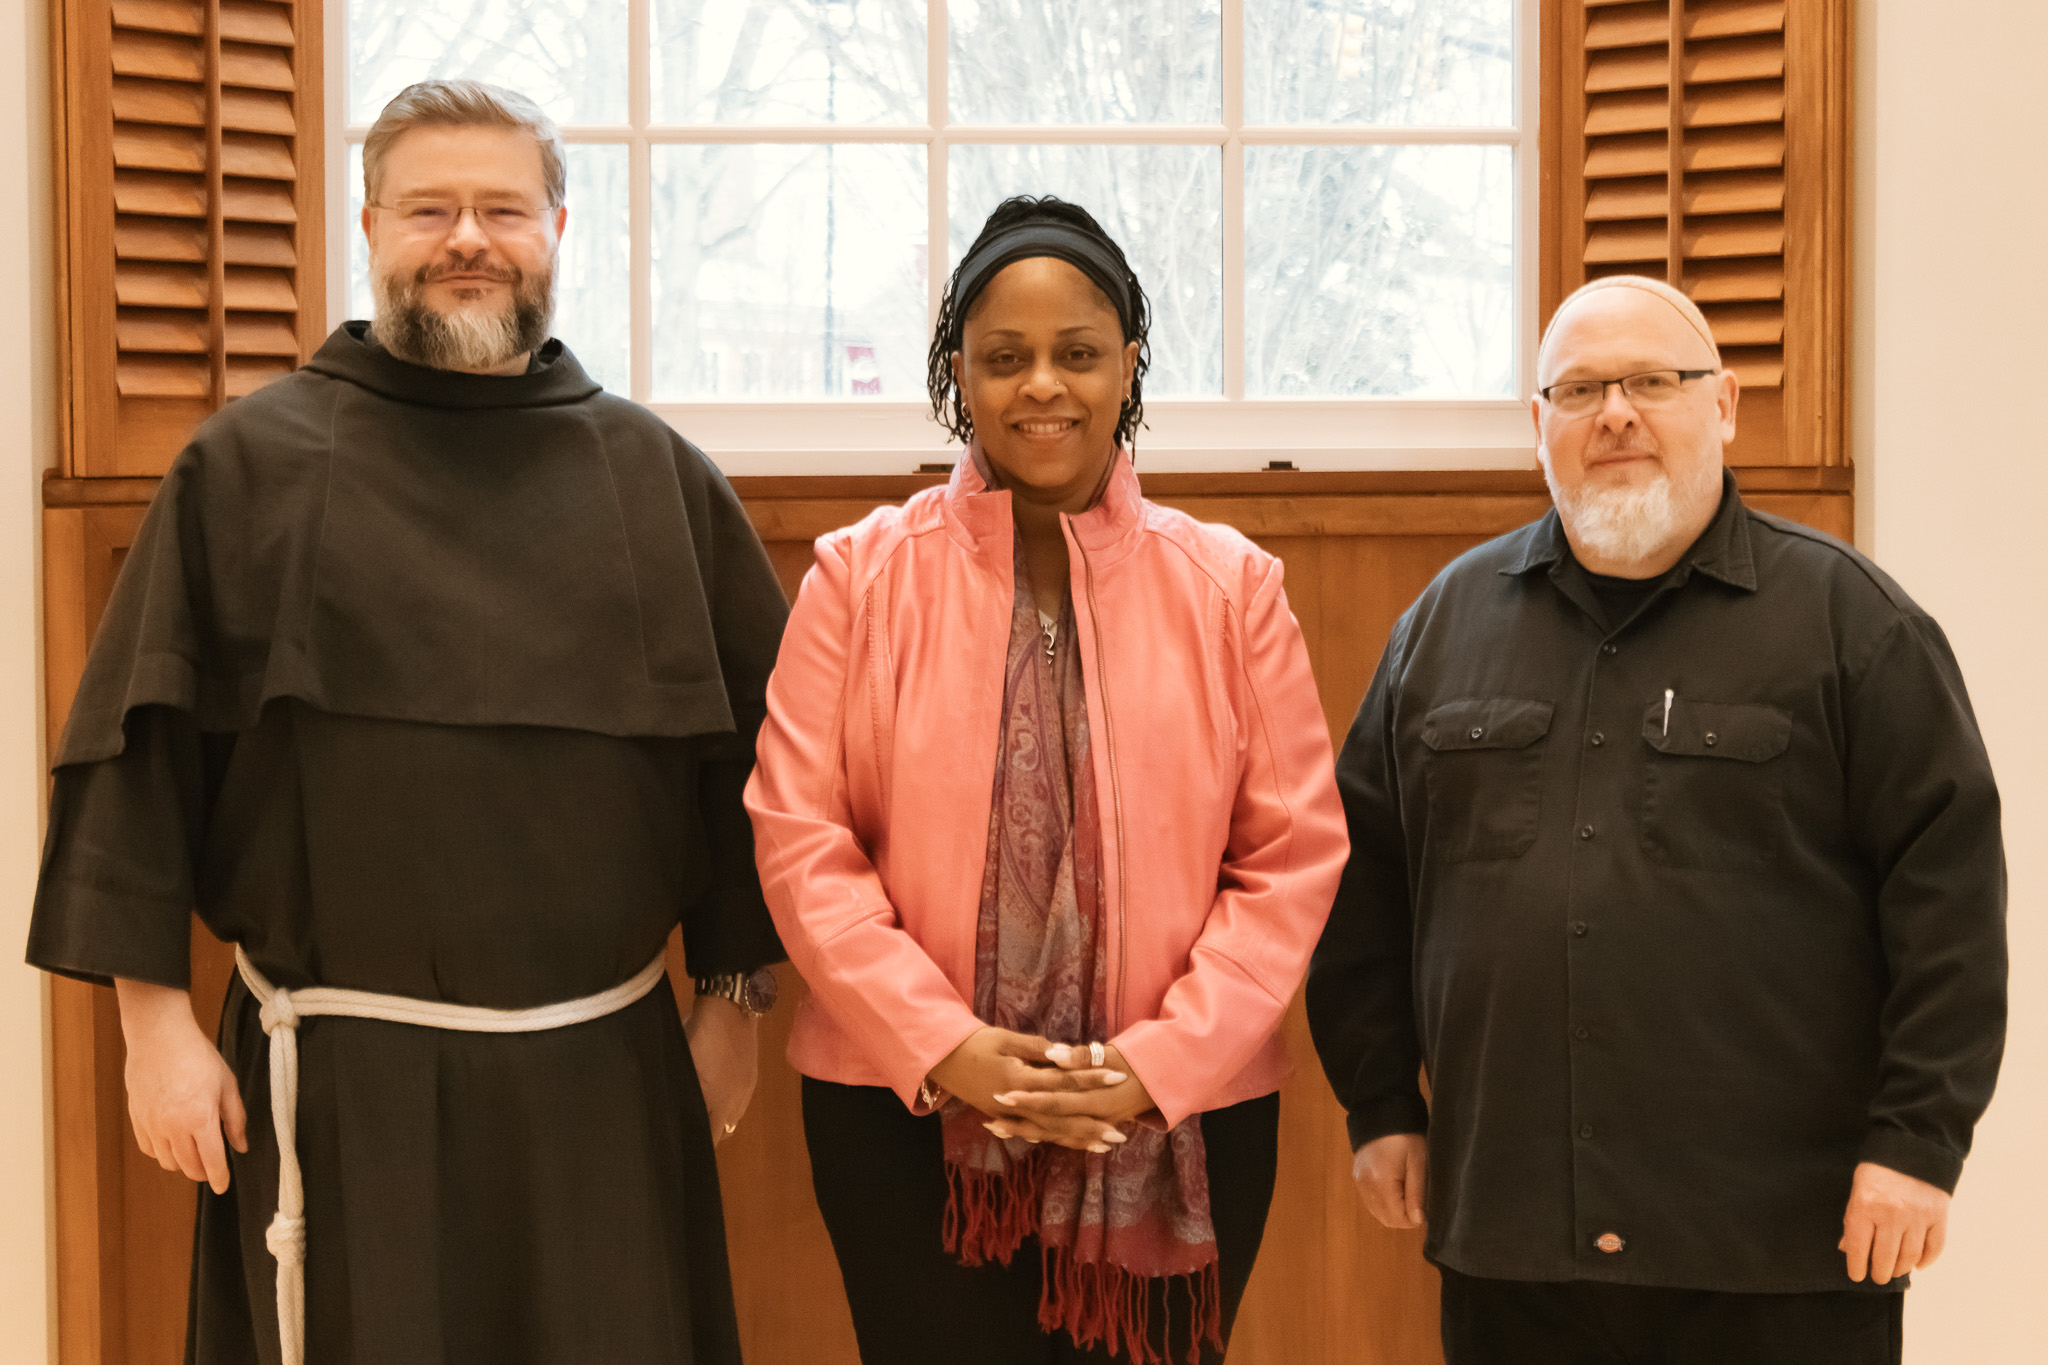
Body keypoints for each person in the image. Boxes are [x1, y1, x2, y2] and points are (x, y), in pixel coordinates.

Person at [26, 79, 788, 1365]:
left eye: (503, 209)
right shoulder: (245, 469)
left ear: (556, 229)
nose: (467, 240)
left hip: (600, 1088)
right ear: (371, 226)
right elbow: (139, 758)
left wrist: (732, 1006)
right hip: (334, 1092)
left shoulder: (656, 480)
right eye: (429, 209)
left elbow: (754, 778)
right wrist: (151, 1031)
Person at [1307, 275, 2007, 1365]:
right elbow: (1361, 889)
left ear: (1722, 406)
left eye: (1652, 381)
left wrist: (1917, 1144)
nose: (1616, 414)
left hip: (1778, 1248)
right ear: (1537, 424)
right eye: (1580, 390)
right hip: (1514, 1246)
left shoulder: (1855, 627)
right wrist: (1382, 1102)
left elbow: (1948, 905)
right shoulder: (1441, 628)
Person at [744, 196, 1347, 1365]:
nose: (1042, 388)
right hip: (903, 1115)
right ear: (955, 373)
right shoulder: (856, 580)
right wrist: (941, 1046)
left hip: (1178, 1112)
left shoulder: (1231, 589)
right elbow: (799, 838)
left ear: (1128, 364)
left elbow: (1289, 861)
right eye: (1003, 357)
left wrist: (1155, 1066)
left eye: (1077, 353)